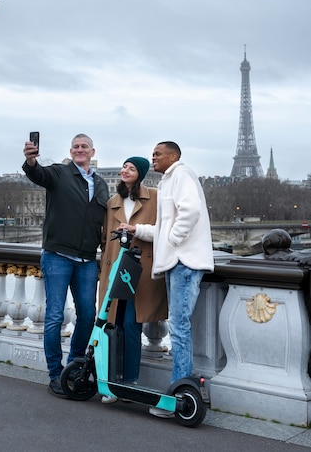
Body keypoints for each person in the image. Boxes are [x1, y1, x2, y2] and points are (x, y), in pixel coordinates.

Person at [119, 141, 214, 418]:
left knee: (180, 327)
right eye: (153, 154)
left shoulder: (182, 175)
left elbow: (191, 211)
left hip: (184, 262)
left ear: (174, 156)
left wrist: (173, 241)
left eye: (158, 154)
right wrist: (138, 229)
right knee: (179, 327)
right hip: (178, 262)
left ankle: (179, 394)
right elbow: (164, 226)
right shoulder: (169, 181)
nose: (153, 158)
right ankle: (180, 389)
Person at [23, 133, 109, 397]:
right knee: (55, 316)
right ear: (71, 151)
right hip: (58, 254)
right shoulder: (59, 173)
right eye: (76, 147)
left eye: (84, 147)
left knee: (87, 316)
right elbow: (38, 175)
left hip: (86, 259)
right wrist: (30, 161)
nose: (80, 150)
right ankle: (53, 373)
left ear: (92, 151)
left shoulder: (102, 184)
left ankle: (73, 366)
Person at [99, 156, 167, 404]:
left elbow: (164, 231)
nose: (125, 170)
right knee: (111, 326)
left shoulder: (155, 197)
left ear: (141, 174)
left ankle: (130, 381)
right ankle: (110, 381)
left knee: (131, 325)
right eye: (124, 167)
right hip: (116, 268)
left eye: (132, 168)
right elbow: (106, 238)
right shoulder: (112, 202)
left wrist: (135, 230)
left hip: (140, 271)